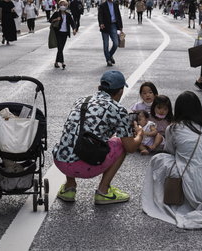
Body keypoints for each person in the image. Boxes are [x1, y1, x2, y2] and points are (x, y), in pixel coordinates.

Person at [53, 70, 144, 204]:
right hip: (85, 167)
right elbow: (130, 147)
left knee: (73, 136)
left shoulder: (81, 100)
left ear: (99, 87)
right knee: (120, 143)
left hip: (60, 161)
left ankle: (69, 187)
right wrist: (140, 134)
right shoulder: (118, 109)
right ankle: (103, 191)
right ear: (120, 91)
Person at [142, 91, 202, 229]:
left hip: (191, 181)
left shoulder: (174, 128)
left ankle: (165, 197)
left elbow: (169, 152)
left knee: (159, 159)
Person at [98, 0, 123, 67]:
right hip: (105, 26)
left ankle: (109, 55)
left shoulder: (115, 4)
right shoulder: (102, 5)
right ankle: (108, 60)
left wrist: (121, 26)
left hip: (113, 25)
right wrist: (101, 23)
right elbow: (100, 15)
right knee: (106, 44)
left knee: (116, 43)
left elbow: (118, 15)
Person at [50, 0, 76, 69]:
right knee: (60, 47)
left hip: (65, 33)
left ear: (67, 6)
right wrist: (56, 19)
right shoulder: (56, 13)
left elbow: (72, 23)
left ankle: (56, 62)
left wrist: (74, 29)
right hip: (58, 32)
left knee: (60, 48)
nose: (63, 6)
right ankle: (62, 62)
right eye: (61, 5)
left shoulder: (68, 15)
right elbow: (50, 20)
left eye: (64, 5)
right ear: (59, 5)